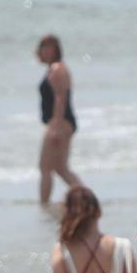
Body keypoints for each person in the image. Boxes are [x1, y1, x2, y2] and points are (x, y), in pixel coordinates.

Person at [36, 35, 81, 202]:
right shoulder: (54, 69)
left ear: (57, 50)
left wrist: (55, 128)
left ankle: (44, 204)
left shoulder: (57, 69)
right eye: (43, 48)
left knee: (45, 167)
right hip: (60, 122)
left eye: (50, 48)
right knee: (60, 168)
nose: (46, 51)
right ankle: (85, 198)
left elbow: (61, 98)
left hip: (60, 123)